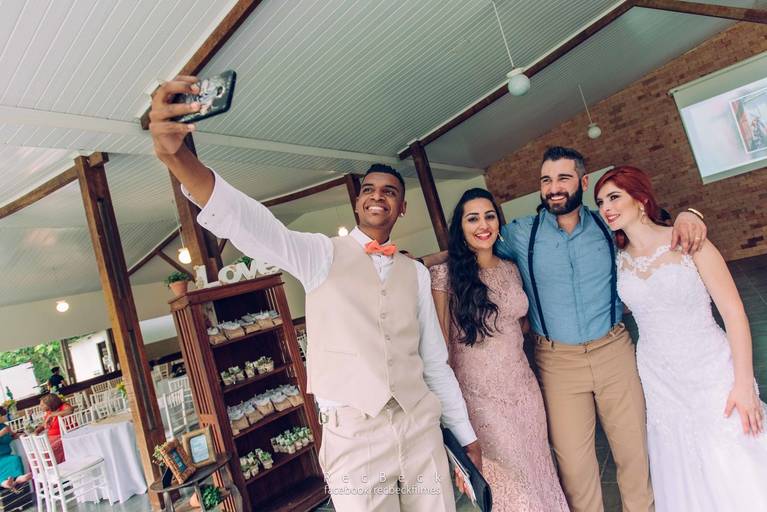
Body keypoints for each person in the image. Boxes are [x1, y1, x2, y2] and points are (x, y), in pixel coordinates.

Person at [149, 76, 480, 512]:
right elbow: (256, 227)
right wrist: (176, 158)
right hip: (354, 438)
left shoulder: (416, 274)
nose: (377, 197)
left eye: (390, 192)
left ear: (402, 208)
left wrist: (465, 435)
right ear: (357, 204)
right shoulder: (320, 255)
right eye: (369, 190)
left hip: (420, 426)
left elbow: (434, 362)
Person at [427, 146, 706, 511]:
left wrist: (690, 213)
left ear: (583, 182)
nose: (554, 187)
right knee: (575, 470)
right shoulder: (520, 235)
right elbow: (474, 243)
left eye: (563, 178)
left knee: (634, 456)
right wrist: (418, 260)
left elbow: (655, 223)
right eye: (546, 180)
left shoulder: (608, 225)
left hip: (613, 350)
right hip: (557, 362)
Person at [594, 166, 767, 511]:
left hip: (710, 367)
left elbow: (733, 312)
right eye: (600, 202)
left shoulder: (688, 240)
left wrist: (743, 383)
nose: (606, 208)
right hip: (659, 378)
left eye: (614, 197)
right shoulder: (617, 261)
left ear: (640, 199)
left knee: (732, 452)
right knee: (682, 462)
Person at [430, 188, 569, 511]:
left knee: (539, 472)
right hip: (482, 400)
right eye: (473, 218)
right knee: (514, 489)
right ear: (460, 227)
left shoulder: (511, 268)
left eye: (489, 216)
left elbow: (519, 324)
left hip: (524, 390)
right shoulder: (445, 276)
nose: (483, 225)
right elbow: (440, 351)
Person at [0, 407, 32, 492]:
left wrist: (19, 435)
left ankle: (18, 478)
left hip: (6, 455)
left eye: (2, 415)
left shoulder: (4, 426)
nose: (3, 417)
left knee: (15, 459)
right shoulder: (3, 429)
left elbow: (12, 435)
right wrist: (2, 433)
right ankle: (5, 483)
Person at [34, 394, 72, 463]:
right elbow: (43, 425)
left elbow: (70, 411)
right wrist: (37, 431)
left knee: (46, 453)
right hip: (51, 438)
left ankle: (56, 467)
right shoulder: (49, 412)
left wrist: (51, 415)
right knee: (35, 453)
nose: (40, 407)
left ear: (50, 404)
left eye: (42, 405)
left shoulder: (63, 406)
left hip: (63, 436)